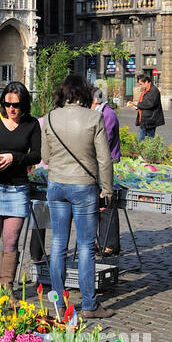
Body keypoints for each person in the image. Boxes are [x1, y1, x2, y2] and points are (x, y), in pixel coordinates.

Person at [44, 74, 115, 319]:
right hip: (84, 186)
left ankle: (59, 302)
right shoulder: (94, 118)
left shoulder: (51, 117)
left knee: (58, 244)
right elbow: (104, 159)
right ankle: (89, 305)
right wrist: (107, 189)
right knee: (85, 247)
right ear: (85, 93)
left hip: (56, 184)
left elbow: (45, 154)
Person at [0, 82, 42, 290]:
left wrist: (15, 158)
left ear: (24, 104)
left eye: (17, 105)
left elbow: (36, 155)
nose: (11, 109)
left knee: (11, 242)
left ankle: (6, 289)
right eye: (7, 104)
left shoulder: (31, 124)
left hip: (17, 189)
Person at [92, 90, 121, 256]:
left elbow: (105, 141)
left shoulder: (107, 115)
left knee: (107, 203)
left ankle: (109, 244)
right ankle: (102, 242)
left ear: (95, 100)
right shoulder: (98, 113)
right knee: (100, 205)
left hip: (105, 164)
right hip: (99, 164)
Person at [129, 73, 164, 140]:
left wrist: (138, 104)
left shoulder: (153, 90)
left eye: (141, 84)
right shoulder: (145, 90)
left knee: (146, 140)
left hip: (150, 120)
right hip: (144, 120)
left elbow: (150, 104)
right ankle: (143, 150)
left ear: (146, 82)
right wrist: (137, 107)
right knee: (143, 140)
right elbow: (144, 103)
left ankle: (144, 150)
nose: (140, 86)